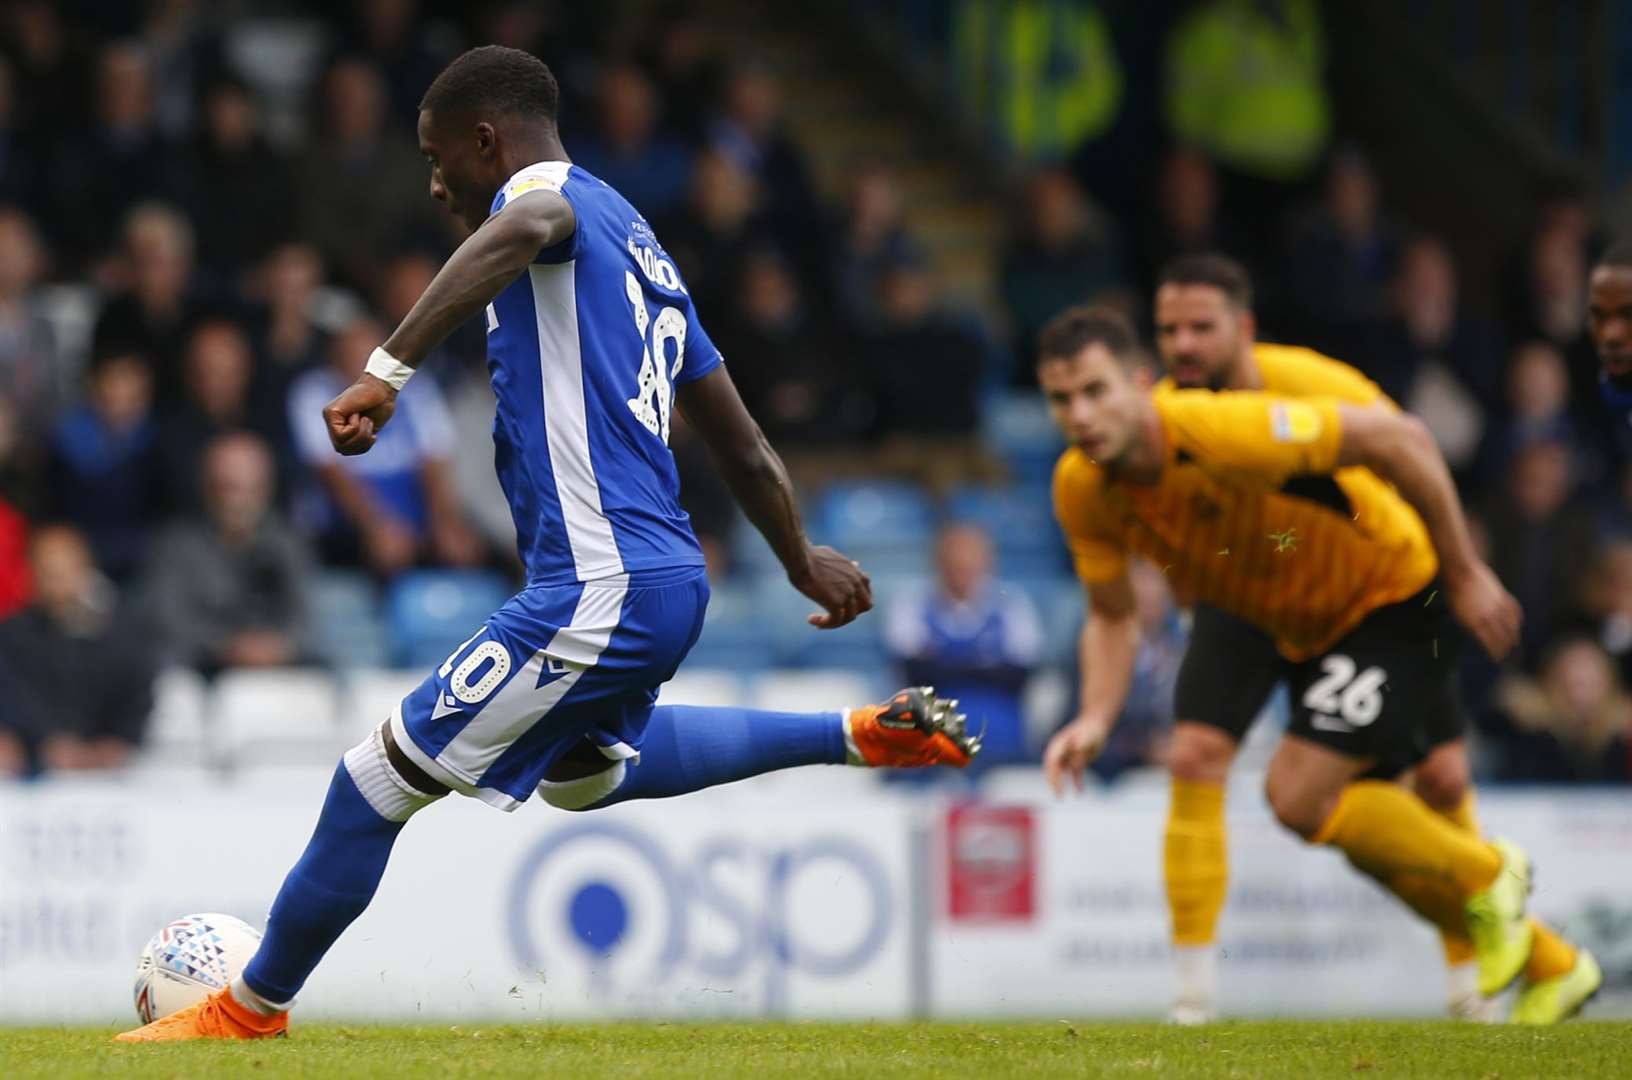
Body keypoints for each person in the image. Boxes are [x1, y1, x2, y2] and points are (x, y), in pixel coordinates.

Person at [117, 46, 977, 1044]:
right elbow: (739, 442)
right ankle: (856, 733)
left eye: (442, 160)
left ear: (489, 140)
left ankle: (250, 1011)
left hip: (602, 583)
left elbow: (523, 222)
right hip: (665, 581)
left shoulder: (545, 203)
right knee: (587, 776)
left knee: (370, 783)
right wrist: (799, 558)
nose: (439, 185)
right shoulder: (641, 248)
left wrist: (386, 372)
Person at [1035, 302, 1598, 1027]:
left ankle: (1494, 875)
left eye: (1095, 391)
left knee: (1313, 794)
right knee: (1340, 823)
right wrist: (1094, 716)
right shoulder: (1081, 486)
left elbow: (1400, 439)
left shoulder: (1226, 430)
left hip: (1394, 600)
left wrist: (1463, 573)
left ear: (1140, 383)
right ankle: (1556, 963)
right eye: (1060, 399)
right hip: (1292, 618)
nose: (1079, 415)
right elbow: (1112, 613)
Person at [1142, 253, 1506, 1022]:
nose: (1182, 345)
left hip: (1365, 597)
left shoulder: (1307, 381)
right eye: (1168, 329)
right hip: (1245, 598)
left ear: (1241, 328)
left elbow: (1407, 448)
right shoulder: (1165, 417)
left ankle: (1475, 973)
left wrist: (1460, 571)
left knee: (1441, 778)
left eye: (1200, 327)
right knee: (1196, 754)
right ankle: (1191, 999)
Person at [143, 433, 312, 675]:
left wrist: (275, 647)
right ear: (207, 487)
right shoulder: (176, 545)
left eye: (251, 488)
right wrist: (227, 647)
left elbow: (304, 616)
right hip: (202, 673)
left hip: (279, 673)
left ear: (267, 489)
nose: (238, 501)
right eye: (228, 488)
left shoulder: (288, 544)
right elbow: (168, 620)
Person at [0, 523, 158, 775]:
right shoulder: (11, 636)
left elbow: (136, 694)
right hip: (31, 764)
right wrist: (46, 741)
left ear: (85, 570)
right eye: (46, 573)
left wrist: (117, 742)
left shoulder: (120, 635)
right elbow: (13, 698)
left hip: (110, 765)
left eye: (61, 573)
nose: (54, 584)